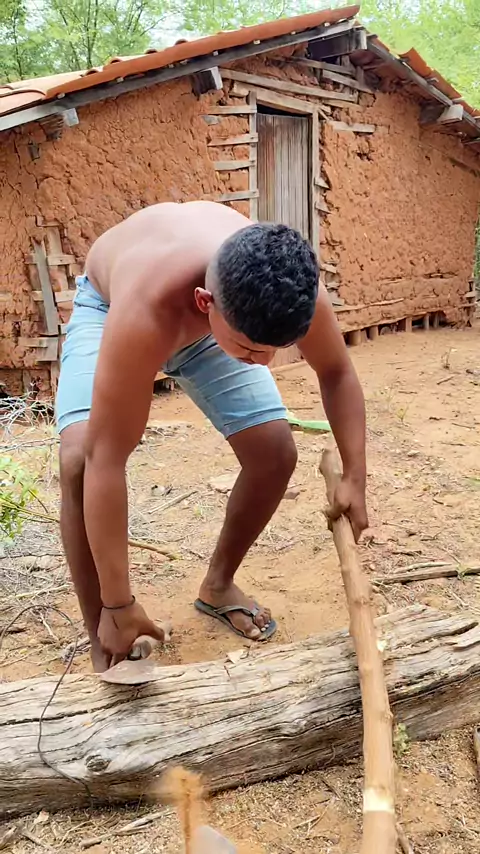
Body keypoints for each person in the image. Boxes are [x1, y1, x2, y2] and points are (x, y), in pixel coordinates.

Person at [56, 201, 368, 671]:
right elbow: (106, 459)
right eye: (251, 350)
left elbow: (337, 372)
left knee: (274, 452)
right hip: (113, 307)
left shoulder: (294, 288)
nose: (264, 363)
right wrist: (118, 601)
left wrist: (355, 477)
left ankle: (218, 586)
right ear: (205, 303)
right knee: (79, 460)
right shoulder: (146, 306)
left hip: (217, 326)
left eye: (276, 350)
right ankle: (109, 632)